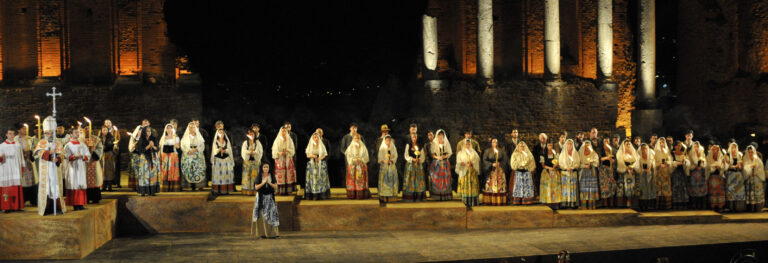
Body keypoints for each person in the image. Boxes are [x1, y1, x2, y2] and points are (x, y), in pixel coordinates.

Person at [35, 116, 66, 215]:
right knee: (47, 188)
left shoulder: (58, 143)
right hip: (45, 169)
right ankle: (46, 208)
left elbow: (62, 154)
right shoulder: (41, 143)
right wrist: (48, 153)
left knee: (55, 187)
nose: (50, 134)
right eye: (48, 133)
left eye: (51, 132)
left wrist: (58, 158)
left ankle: (57, 207)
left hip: (54, 169)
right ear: (45, 133)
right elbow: (37, 153)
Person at [251, 163, 279, 239]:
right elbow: (256, 187)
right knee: (262, 215)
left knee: (271, 215)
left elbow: (276, 187)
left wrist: (269, 182)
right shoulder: (259, 176)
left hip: (269, 197)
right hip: (261, 197)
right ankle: (262, 233)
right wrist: (263, 182)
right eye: (264, 167)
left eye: (267, 167)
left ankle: (271, 234)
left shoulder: (271, 176)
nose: (266, 168)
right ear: (262, 168)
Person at [64, 128, 90, 210]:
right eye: (75, 132)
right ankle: (75, 204)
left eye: (78, 132)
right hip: (73, 167)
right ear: (71, 134)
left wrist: (82, 156)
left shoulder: (82, 144)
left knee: (80, 184)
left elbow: (88, 155)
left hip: (81, 166)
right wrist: (73, 156)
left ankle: (81, 204)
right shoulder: (68, 145)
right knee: (74, 184)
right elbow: (66, 156)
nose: (77, 134)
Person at [1, 129, 26, 212]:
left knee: (16, 187)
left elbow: (21, 157)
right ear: (6, 135)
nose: (11, 135)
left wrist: (22, 168)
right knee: (6, 188)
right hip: (6, 169)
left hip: (16, 169)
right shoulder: (1, 146)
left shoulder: (18, 145)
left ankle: (17, 206)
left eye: (13, 134)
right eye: (10, 134)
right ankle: (6, 207)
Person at [15, 124, 37, 206]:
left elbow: (33, 149)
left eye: (25, 129)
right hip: (21, 161)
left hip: (29, 162)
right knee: (23, 180)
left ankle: (32, 199)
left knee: (31, 180)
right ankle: (23, 199)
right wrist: (23, 154)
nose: (24, 130)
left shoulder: (29, 139)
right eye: (23, 128)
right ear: (19, 130)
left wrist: (30, 153)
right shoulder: (16, 139)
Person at [181, 122, 206, 191]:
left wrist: (196, 150)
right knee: (189, 168)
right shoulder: (185, 136)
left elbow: (202, 145)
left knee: (197, 169)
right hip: (188, 154)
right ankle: (190, 185)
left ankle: (198, 185)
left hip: (197, 154)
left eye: (193, 127)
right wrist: (188, 151)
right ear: (188, 128)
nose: (192, 129)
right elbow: (182, 145)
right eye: (190, 127)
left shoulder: (199, 136)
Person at [482, 138, 508, 206]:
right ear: (491, 143)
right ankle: (490, 200)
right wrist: (491, 164)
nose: (495, 144)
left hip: (499, 171)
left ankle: (500, 200)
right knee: (490, 185)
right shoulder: (487, 151)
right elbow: (484, 160)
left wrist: (500, 164)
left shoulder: (502, 151)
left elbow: (505, 160)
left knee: (500, 185)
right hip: (491, 171)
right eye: (493, 142)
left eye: (496, 142)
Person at [305, 132, 330, 200]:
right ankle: (314, 195)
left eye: (317, 137)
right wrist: (313, 156)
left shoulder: (321, 145)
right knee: (313, 180)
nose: (316, 139)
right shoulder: (310, 145)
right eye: (314, 137)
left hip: (320, 163)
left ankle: (321, 194)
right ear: (312, 138)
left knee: (321, 179)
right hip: (312, 164)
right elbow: (307, 155)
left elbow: (324, 154)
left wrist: (319, 158)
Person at [272, 126, 297, 195]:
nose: (284, 132)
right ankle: (280, 190)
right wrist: (279, 153)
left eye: (285, 131)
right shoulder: (277, 140)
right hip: (280, 159)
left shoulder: (289, 140)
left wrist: (288, 151)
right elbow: (274, 149)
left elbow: (292, 149)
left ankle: (288, 190)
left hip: (288, 158)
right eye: (282, 131)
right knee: (280, 174)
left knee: (288, 174)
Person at [429, 129, 453, 201]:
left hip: (445, 163)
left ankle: (445, 195)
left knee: (445, 179)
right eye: (439, 135)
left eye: (442, 135)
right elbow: (432, 154)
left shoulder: (446, 143)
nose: (440, 136)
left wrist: (445, 157)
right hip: (437, 163)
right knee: (437, 178)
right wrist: (438, 157)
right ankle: (437, 195)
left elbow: (449, 152)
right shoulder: (434, 143)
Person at [510, 141, 536, 205]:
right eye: (521, 146)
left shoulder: (529, 154)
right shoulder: (515, 154)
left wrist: (526, 165)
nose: (522, 147)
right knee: (518, 187)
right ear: (518, 147)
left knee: (527, 187)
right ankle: (517, 200)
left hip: (527, 172)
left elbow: (532, 163)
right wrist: (520, 164)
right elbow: (513, 164)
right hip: (518, 172)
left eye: (523, 146)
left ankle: (527, 200)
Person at [456, 139, 480, 207]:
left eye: (469, 144)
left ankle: (473, 201)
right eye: (466, 144)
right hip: (464, 172)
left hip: (472, 172)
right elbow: (459, 161)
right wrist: (465, 164)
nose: (467, 146)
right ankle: (465, 201)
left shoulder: (474, 152)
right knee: (465, 186)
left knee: (473, 185)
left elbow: (477, 160)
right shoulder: (460, 153)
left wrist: (472, 163)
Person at [344, 133, 370, 199]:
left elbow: (366, 156)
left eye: (358, 138)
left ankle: (361, 194)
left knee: (360, 180)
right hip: (353, 165)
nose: (357, 139)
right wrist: (353, 160)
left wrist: (361, 160)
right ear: (353, 139)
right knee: (352, 180)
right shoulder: (350, 147)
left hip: (361, 165)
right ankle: (352, 195)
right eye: (355, 138)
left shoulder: (363, 147)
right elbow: (348, 156)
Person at [402, 133, 427, 202]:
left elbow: (423, 156)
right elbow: (406, 155)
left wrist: (419, 159)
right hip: (410, 165)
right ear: (411, 138)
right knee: (410, 180)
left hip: (418, 165)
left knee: (418, 180)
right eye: (413, 137)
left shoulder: (420, 146)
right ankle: (410, 197)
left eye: (415, 137)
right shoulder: (408, 145)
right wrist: (412, 159)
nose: (414, 138)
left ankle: (419, 197)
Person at [136, 126, 159, 196]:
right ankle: (143, 191)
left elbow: (157, 149)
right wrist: (149, 146)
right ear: (144, 132)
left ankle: (152, 191)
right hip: (144, 158)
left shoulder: (153, 138)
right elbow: (140, 150)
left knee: (152, 174)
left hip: (152, 157)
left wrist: (153, 146)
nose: (149, 132)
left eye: (150, 131)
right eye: (147, 131)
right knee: (144, 174)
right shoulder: (141, 140)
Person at [83, 127, 104, 204]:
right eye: (85, 128)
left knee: (96, 179)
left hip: (94, 162)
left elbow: (100, 149)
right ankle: (86, 198)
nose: (87, 130)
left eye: (89, 128)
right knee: (85, 180)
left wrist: (93, 151)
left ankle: (95, 198)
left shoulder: (96, 139)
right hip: (84, 163)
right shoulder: (80, 139)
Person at [211, 129, 235, 195]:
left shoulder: (226, 141)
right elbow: (214, 151)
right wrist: (218, 149)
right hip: (218, 160)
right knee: (218, 175)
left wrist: (225, 150)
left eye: (222, 133)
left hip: (226, 160)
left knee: (226, 175)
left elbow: (229, 150)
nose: (221, 134)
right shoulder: (215, 142)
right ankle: (217, 191)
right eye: (219, 133)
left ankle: (226, 190)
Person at [616, 139, 638, 208]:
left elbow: (636, 160)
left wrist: (632, 167)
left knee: (631, 187)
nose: (628, 145)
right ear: (624, 145)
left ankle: (630, 201)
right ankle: (622, 203)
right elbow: (620, 161)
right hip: (624, 171)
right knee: (623, 187)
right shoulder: (621, 152)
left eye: (629, 144)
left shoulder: (633, 152)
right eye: (626, 144)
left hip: (631, 171)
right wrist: (627, 168)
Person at [558, 139, 580, 208]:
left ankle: (572, 203)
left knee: (573, 188)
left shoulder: (575, 153)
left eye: (571, 144)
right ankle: (565, 203)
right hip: (565, 173)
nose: (569, 145)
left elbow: (578, 163)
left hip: (573, 173)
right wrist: (566, 167)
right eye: (568, 144)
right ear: (566, 145)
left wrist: (573, 167)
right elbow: (560, 163)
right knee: (565, 189)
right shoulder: (563, 154)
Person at [159, 124, 181, 192]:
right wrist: (159, 156)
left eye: (170, 128)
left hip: (173, 155)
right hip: (165, 156)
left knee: (172, 171)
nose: (169, 130)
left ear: (172, 129)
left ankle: (173, 187)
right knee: (165, 171)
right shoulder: (163, 138)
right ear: (166, 129)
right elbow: (160, 148)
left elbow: (178, 147)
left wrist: (175, 144)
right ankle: (165, 187)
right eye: (168, 128)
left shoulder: (176, 138)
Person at [241, 129, 264, 196]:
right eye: (250, 134)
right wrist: (248, 152)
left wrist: (253, 152)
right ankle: (247, 190)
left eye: (252, 134)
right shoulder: (245, 143)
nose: (251, 136)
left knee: (255, 176)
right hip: (247, 163)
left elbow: (260, 151)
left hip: (255, 162)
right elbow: (243, 151)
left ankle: (256, 190)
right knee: (247, 177)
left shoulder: (257, 142)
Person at [377, 135, 399, 203]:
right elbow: (380, 157)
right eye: (387, 140)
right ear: (385, 141)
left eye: (389, 140)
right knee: (384, 181)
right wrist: (384, 161)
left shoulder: (393, 147)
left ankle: (392, 197)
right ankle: (384, 197)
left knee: (392, 180)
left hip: (391, 166)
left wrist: (391, 160)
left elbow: (395, 156)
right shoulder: (382, 148)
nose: (388, 142)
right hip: (384, 166)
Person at [743, 145, 765, 212]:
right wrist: (750, 167)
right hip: (750, 179)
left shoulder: (757, 160)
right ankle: (751, 208)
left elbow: (761, 169)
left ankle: (758, 207)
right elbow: (744, 169)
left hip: (757, 179)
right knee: (750, 193)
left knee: (757, 193)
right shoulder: (745, 159)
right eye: (749, 152)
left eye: (752, 152)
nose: (750, 153)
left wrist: (756, 171)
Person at [725, 142, 746, 212]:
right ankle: (731, 207)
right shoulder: (727, 155)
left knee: (738, 191)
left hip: (738, 175)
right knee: (731, 191)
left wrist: (740, 166)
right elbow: (726, 165)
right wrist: (735, 166)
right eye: (732, 147)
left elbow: (742, 164)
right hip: (731, 175)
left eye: (735, 147)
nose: (733, 149)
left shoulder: (739, 155)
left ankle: (738, 208)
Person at [578, 140, 599, 209]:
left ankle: (591, 205)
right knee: (584, 188)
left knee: (591, 188)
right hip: (583, 172)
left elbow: (597, 163)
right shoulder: (580, 153)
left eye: (588, 146)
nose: (587, 147)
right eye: (586, 146)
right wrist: (584, 166)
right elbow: (578, 163)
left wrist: (592, 163)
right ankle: (584, 205)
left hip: (591, 172)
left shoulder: (594, 154)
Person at [686, 141, 707, 209]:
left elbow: (705, 161)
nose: (696, 148)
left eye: (697, 146)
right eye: (695, 146)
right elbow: (689, 163)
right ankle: (694, 204)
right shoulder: (690, 154)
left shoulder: (702, 153)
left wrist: (702, 165)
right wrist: (694, 166)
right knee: (694, 188)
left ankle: (702, 204)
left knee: (702, 188)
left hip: (701, 173)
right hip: (694, 173)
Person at [539, 141, 561, 209]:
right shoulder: (543, 155)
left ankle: (555, 203)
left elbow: (557, 162)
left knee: (554, 188)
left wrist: (554, 167)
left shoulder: (556, 154)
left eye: (551, 145)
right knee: (547, 188)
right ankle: (547, 202)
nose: (550, 147)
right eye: (548, 145)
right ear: (546, 146)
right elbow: (543, 165)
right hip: (546, 172)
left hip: (554, 172)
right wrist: (549, 168)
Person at [653, 139, 673, 210]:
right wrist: (659, 164)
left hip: (666, 171)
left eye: (663, 143)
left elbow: (670, 159)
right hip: (659, 171)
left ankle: (666, 205)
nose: (662, 144)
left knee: (666, 187)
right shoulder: (656, 152)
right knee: (659, 187)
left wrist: (667, 163)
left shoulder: (667, 151)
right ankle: (658, 205)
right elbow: (653, 161)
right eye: (660, 142)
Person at [670, 141, 690, 209]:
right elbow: (670, 162)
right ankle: (676, 203)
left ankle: (683, 203)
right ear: (675, 146)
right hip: (675, 173)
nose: (679, 147)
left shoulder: (683, 154)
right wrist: (676, 163)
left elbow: (688, 163)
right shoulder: (672, 154)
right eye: (677, 145)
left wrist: (685, 162)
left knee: (683, 187)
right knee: (676, 187)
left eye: (680, 146)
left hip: (682, 172)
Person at [707, 144, 727, 212]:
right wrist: (713, 166)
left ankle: (720, 206)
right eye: (714, 149)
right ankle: (713, 206)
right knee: (713, 192)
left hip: (719, 177)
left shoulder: (721, 157)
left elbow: (724, 167)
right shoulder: (709, 157)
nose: (715, 150)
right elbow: (707, 166)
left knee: (720, 192)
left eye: (717, 149)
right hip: (712, 177)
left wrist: (722, 166)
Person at [636, 143, 656, 210]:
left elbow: (653, 164)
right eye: (643, 148)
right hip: (642, 175)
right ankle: (642, 205)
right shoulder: (639, 157)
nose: (644, 150)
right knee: (643, 190)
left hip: (649, 175)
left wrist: (650, 168)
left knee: (649, 190)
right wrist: (641, 169)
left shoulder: (651, 156)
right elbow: (636, 166)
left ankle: (649, 205)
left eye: (646, 148)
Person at [99, 124, 119, 192]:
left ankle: (110, 185)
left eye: (106, 130)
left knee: (109, 170)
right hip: (102, 155)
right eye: (103, 130)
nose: (105, 131)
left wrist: (111, 145)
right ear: (101, 130)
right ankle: (103, 185)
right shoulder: (99, 137)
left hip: (109, 154)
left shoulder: (111, 137)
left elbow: (111, 144)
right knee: (103, 170)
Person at [598, 137, 617, 208]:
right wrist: (607, 158)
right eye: (605, 141)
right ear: (603, 142)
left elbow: (615, 159)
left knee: (611, 185)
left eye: (607, 141)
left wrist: (613, 161)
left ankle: (611, 203)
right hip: (603, 169)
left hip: (611, 169)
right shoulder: (600, 149)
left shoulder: (612, 150)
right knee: (604, 186)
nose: (606, 142)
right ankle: (605, 203)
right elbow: (599, 158)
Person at [531, 133, 548, 198]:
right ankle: (539, 194)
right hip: (539, 167)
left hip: (547, 166)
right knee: (538, 180)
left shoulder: (549, 146)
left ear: (546, 139)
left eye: (544, 138)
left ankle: (546, 194)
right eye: (541, 138)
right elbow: (534, 157)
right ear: (539, 139)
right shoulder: (536, 147)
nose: (543, 139)